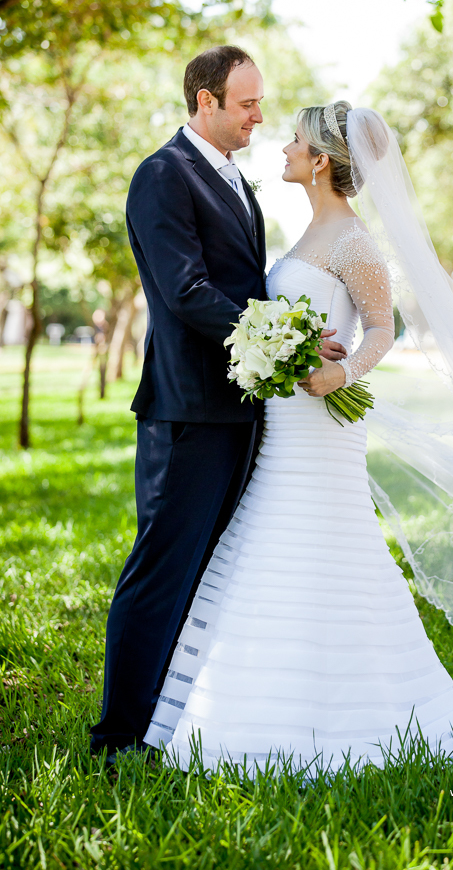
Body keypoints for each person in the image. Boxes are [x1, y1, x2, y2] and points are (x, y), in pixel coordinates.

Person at [143, 102, 453, 772]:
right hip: (285, 419)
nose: (282, 147)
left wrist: (342, 372)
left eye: (295, 141)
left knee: (322, 540)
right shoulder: (308, 232)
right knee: (268, 533)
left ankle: (354, 699)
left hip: (324, 422)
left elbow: (381, 326)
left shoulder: (352, 240)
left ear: (319, 162)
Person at [90, 48, 346, 764]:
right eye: (247, 103)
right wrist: (291, 343)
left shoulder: (234, 178)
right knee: (161, 570)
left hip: (240, 409)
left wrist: (292, 342)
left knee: (207, 569)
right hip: (188, 411)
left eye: (259, 102)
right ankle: (117, 738)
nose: (259, 116)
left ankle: (168, 722)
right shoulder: (163, 175)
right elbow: (187, 291)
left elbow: (243, 284)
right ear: (205, 101)